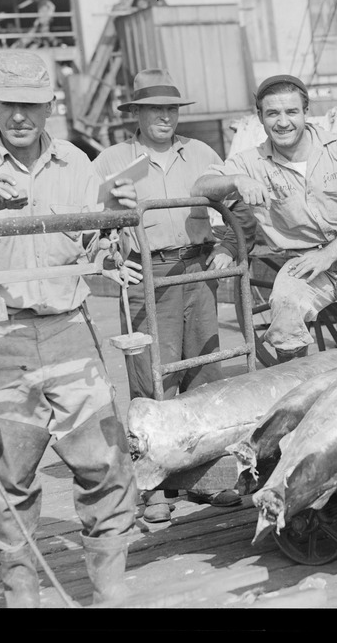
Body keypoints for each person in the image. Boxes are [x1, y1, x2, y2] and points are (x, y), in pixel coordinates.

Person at [0, 51, 140, 607]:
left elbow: (100, 247)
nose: (19, 116)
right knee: (9, 473)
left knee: (104, 460)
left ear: (49, 105)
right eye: (9, 104)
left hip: (69, 327)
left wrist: (116, 212)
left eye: (31, 105)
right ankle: (20, 594)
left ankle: (111, 587)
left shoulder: (77, 161)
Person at [93, 68, 252, 522]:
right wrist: (110, 259)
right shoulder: (111, 161)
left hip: (197, 269)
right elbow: (89, 223)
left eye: (171, 109)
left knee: (204, 370)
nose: (164, 117)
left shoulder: (200, 152)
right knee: (150, 377)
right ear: (136, 114)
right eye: (154, 109)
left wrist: (224, 246)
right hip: (148, 273)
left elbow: (232, 209)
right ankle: (154, 487)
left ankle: (205, 478)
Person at [193, 74, 337, 361]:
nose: (283, 122)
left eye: (291, 112)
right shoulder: (252, 161)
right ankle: (296, 379)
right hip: (302, 262)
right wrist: (237, 180)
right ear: (260, 117)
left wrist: (328, 255)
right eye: (273, 113)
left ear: (305, 112)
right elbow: (200, 186)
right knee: (284, 306)